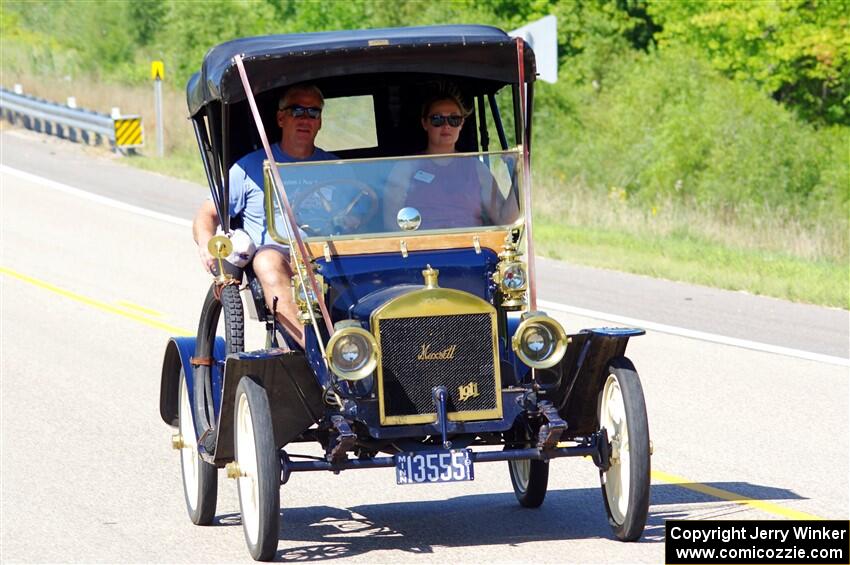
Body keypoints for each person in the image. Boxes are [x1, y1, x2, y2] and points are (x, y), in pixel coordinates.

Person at [193, 83, 334, 348]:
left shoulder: (335, 167)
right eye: (297, 111)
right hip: (279, 256)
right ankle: (319, 352)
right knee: (266, 260)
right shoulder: (249, 167)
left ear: (320, 122)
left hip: (328, 255)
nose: (305, 119)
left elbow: (361, 218)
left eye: (313, 113)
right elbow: (208, 212)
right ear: (281, 118)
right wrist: (205, 244)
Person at [383, 88, 519, 230]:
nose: (446, 125)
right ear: (425, 123)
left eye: (454, 119)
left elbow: (505, 219)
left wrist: (518, 172)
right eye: (437, 119)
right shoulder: (406, 166)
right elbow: (392, 223)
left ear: (461, 124)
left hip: (472, 246)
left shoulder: (476, 168)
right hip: (421, 248)